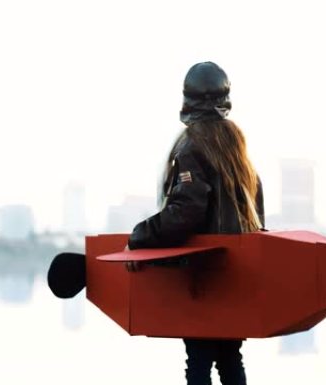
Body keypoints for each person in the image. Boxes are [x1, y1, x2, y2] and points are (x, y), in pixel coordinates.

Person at [126, 61, 265, 385]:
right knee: (231, 358)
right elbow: (255, 209)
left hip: (200, 273)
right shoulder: (238, 147)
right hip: (235, 274)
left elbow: (185, 210)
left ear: (186, 98)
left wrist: (139, 238)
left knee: (199, 361)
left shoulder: (191, 146)